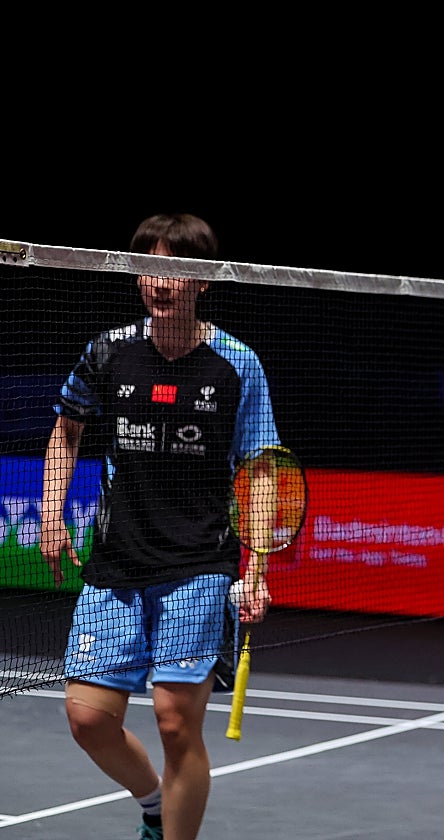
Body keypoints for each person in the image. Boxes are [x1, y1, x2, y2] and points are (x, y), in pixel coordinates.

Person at [39, 213, 279, 840]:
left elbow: (258, 470)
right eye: (148, 267)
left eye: (173, 269)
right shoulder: (109, 349)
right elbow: (67, 427)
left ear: (201, 280)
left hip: (198, 565)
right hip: (116, 563)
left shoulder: (236, 364)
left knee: (176, 723)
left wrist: (256, 568)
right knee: (87, 719)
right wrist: (50, 509)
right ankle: (152, 804)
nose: (159, 282)